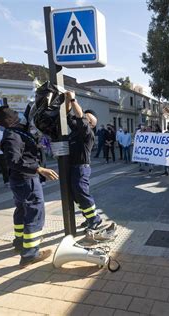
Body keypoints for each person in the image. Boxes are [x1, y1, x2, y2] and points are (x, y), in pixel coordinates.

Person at [0, 105, 58, 267]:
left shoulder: (16, 131)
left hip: (21, 180)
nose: (17, 114)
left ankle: (20, 242)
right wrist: (39, 169)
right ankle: (30, 254)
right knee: (34, 213)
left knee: (22, 210)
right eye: (14, 113)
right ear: (8, 119)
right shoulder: (12, 136)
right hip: (26, 179)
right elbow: (13, 161)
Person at [65, 91, 103, 229]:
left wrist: (73, 99)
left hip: (81, 168)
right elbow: (69, 116)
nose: (82, 118)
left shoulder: (88, 133)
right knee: (76, 195)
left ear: (91, 124)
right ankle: (89, 217)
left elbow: (80, 117)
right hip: (73, 166)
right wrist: (67, 101)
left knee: (81, 193)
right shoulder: (76, 130)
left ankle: (95, 219)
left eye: (87, 118)